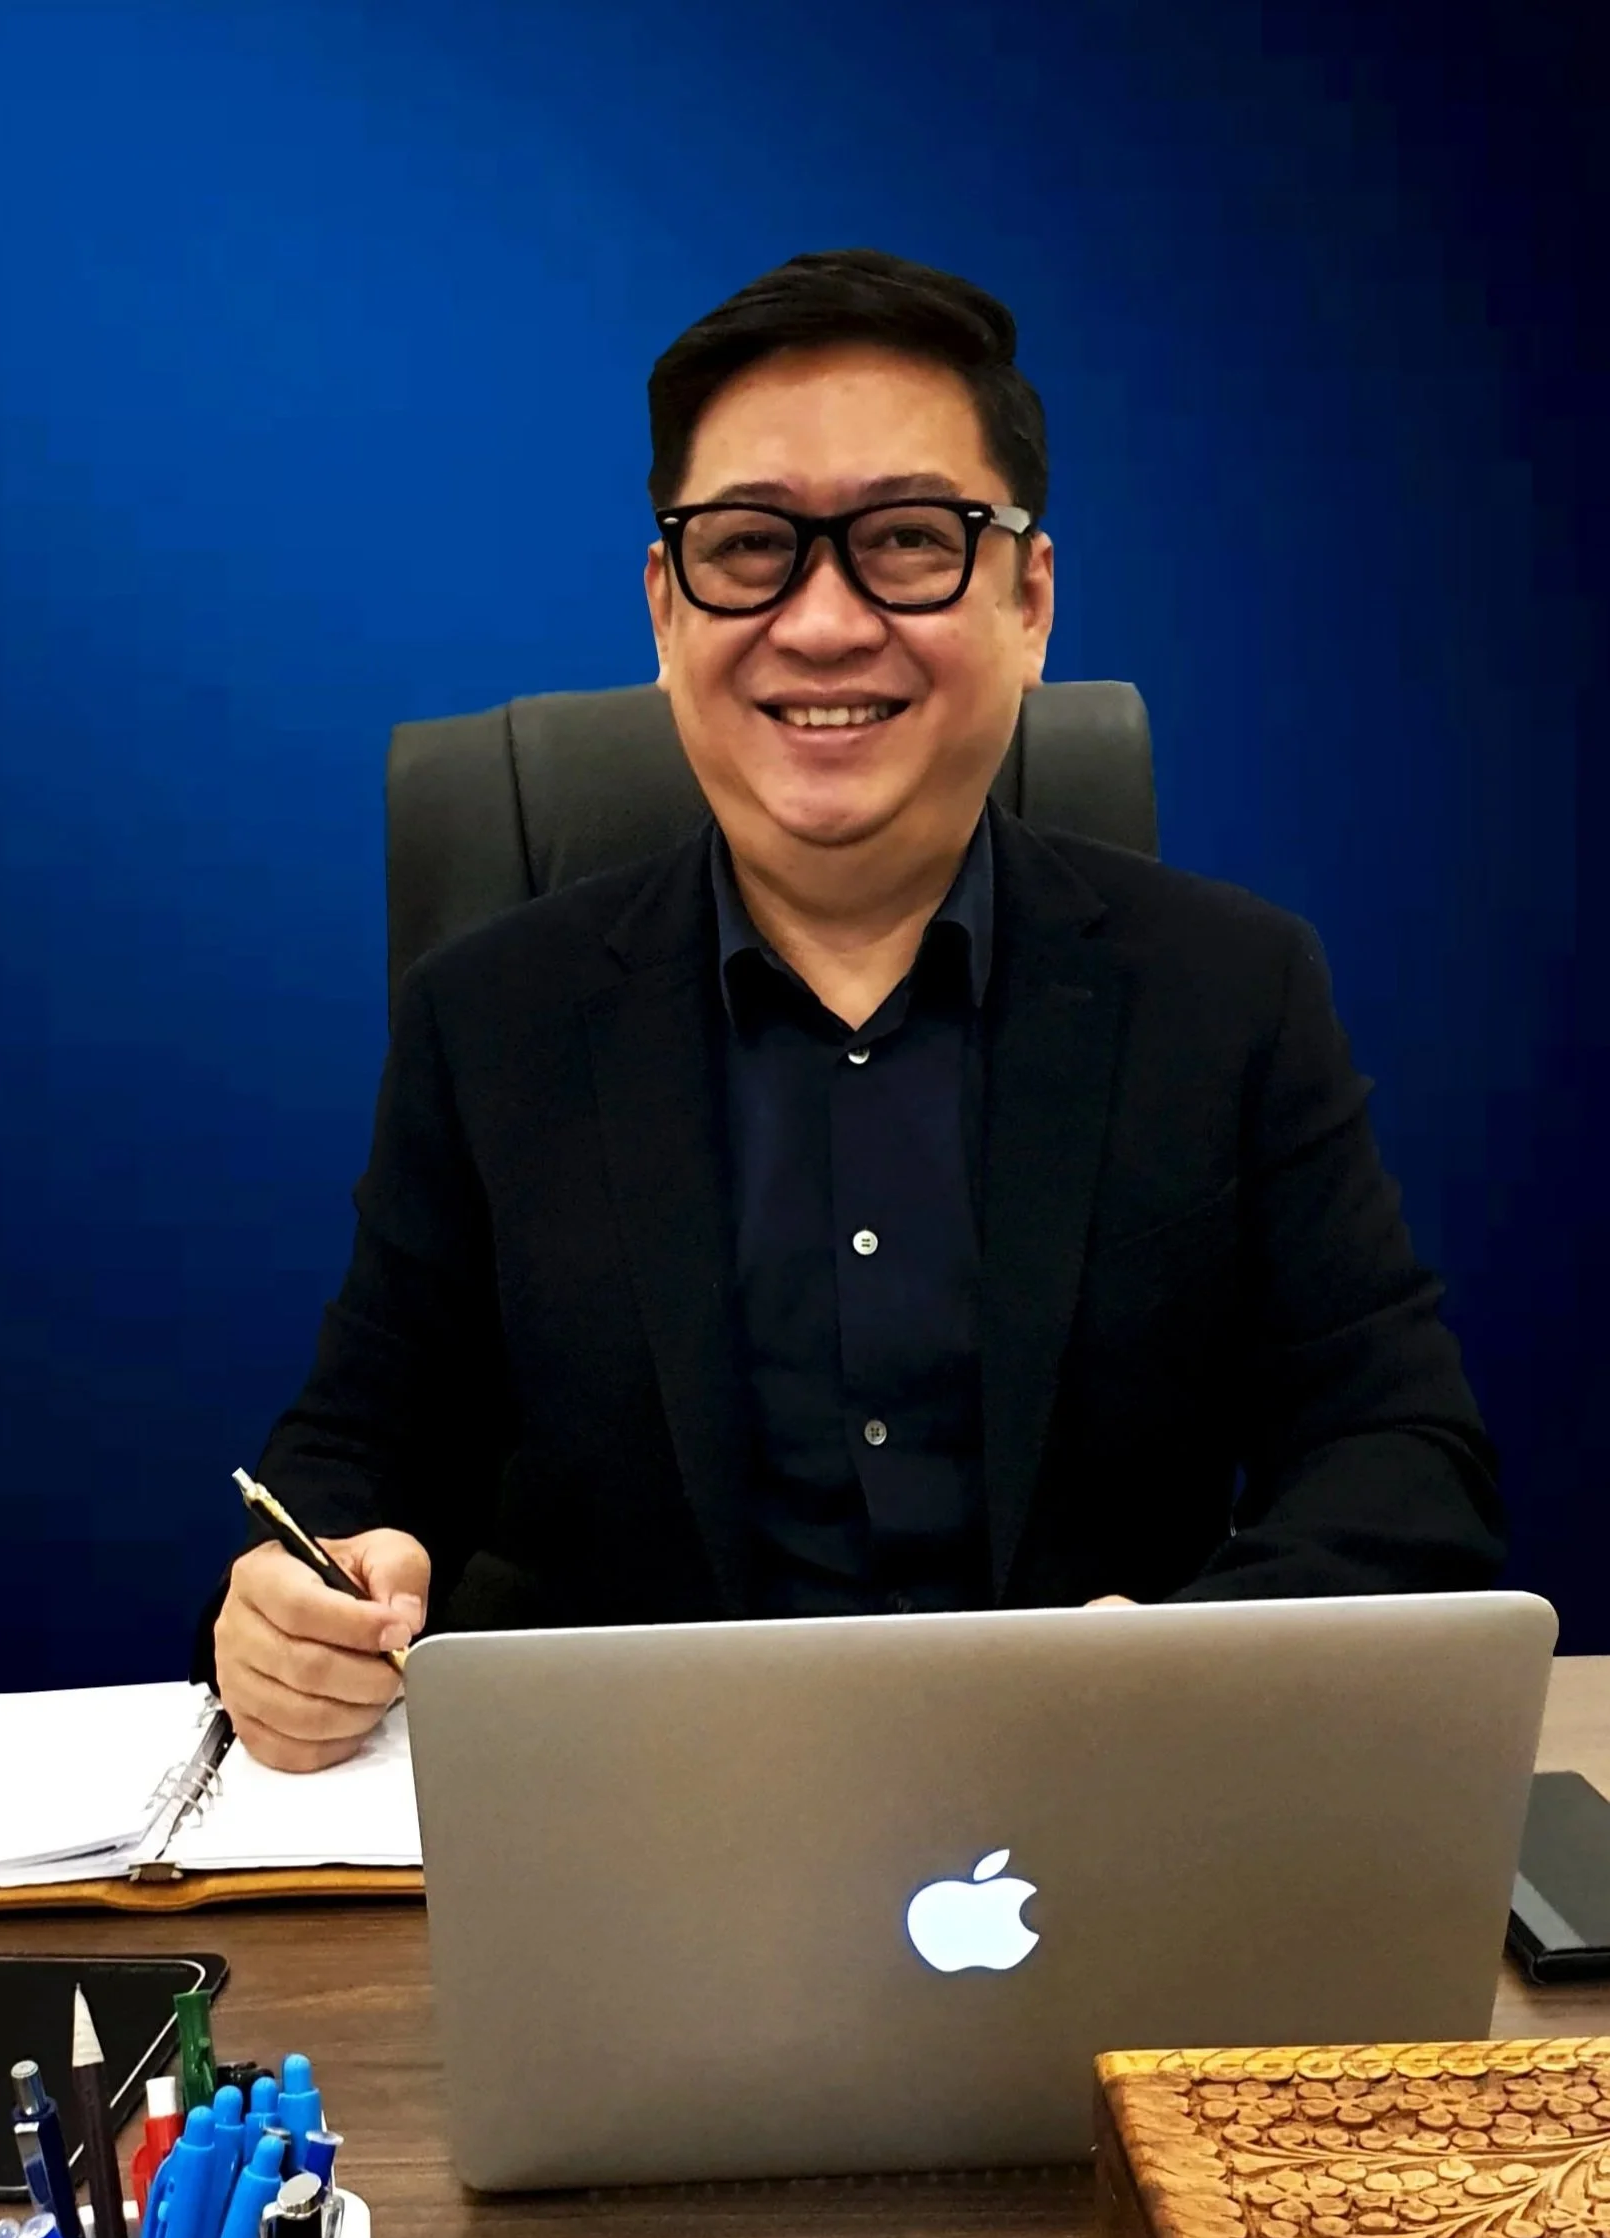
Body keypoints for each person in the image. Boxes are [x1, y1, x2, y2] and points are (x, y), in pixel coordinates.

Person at [208, 247, 1503, 1772]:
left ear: (1028, 601)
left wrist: (1181, 1657)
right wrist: (296, 1613)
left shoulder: (1228, 991)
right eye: (750, 547)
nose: (821, 625)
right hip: (647, 1850)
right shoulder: (490, 1022)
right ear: (663, 606)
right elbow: (350, 1461)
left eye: (905, 541)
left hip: (1108, 1815)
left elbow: (1404, 1467)